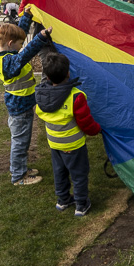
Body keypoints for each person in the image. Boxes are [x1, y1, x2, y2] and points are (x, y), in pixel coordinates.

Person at [36, 52, 102, 217]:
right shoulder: (76, 97)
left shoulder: (42, 95)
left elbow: (39, 112)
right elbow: (85, 122)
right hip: (73, 146)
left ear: (48, 77)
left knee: (59, 172)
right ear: (68, 73)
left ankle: (63, 200)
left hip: (54, 144)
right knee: (79, 174)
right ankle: (81, 205)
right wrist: (96, 130)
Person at [0, 23, 54, 186]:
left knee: (22, 140)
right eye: (20, 44)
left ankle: (20, 167)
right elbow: (25, 55)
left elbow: (16, 32)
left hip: (21, 105)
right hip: (20, 107)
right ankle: (19, 176)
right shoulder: (10, 63)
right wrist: (40, 38)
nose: (21, 47)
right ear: (11, 43)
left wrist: (26, 17)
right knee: (20, 141)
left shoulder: (4, 53)